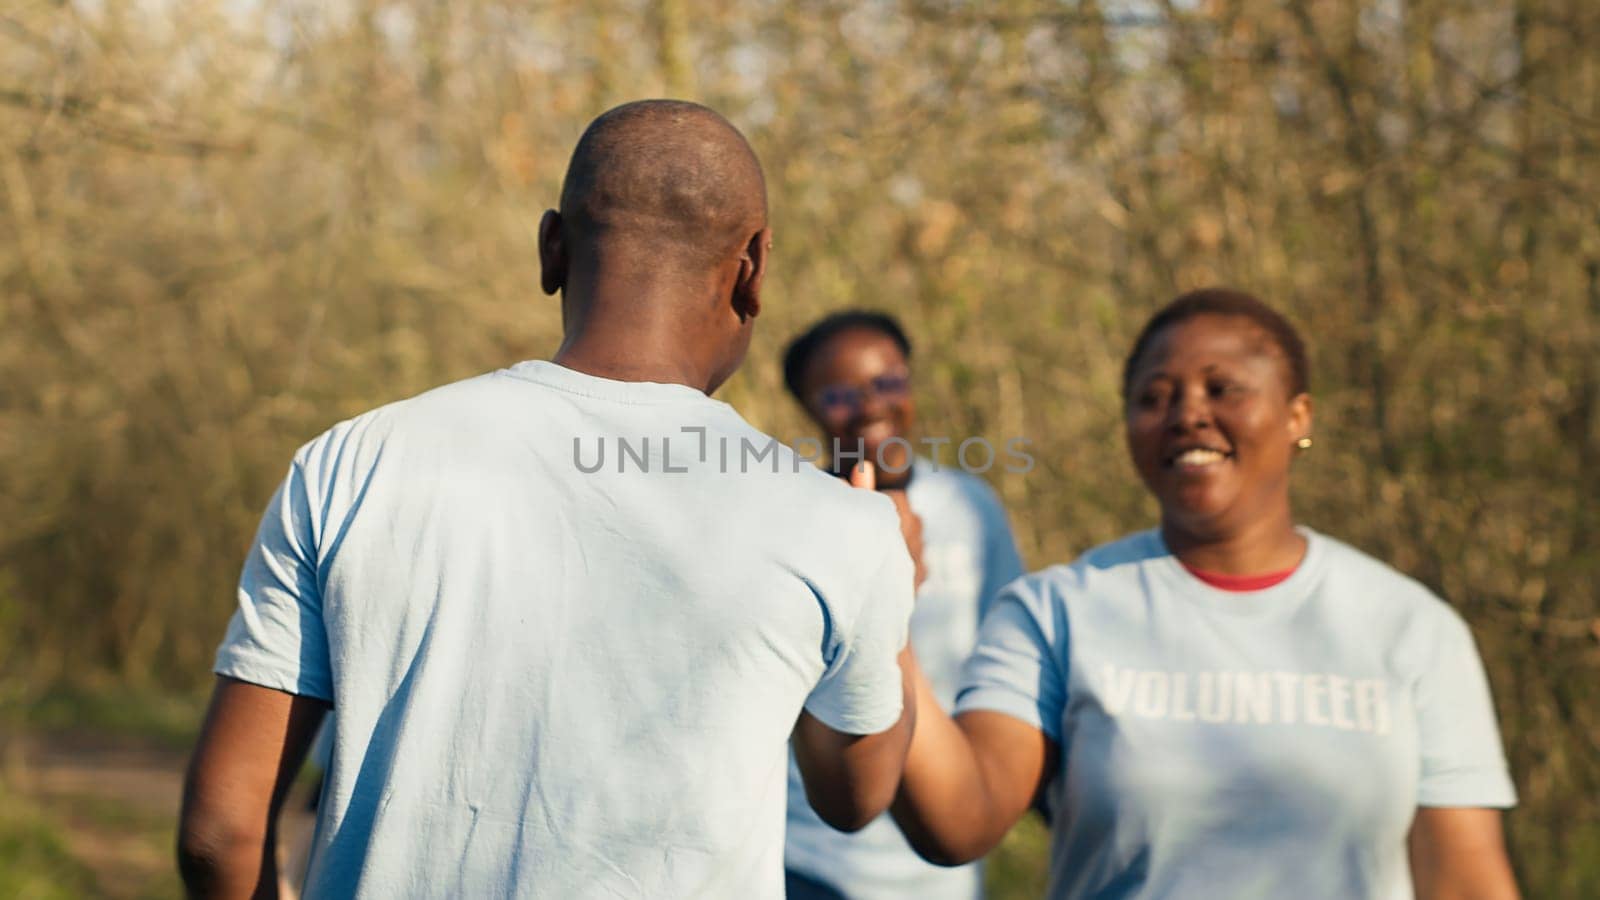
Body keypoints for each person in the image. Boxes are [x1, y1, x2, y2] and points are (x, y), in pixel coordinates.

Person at [177, 99, 923, 899]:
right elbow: (855, 797)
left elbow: (222, 829)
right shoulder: (835, 523)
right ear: (752, 270)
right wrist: (893, 590)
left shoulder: (353, 461)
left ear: (550, 249)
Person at [888, 288, 1521, 899]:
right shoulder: (1056, 612)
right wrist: (884, 620)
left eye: (1224, 390)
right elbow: (958, 820)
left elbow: (1465, 882)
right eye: (1154, 397)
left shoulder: (1411, 627)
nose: (1187, 413)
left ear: (1298, 415)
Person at [779, 311, 1025, 900]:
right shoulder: (793, 516)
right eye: (839, 393)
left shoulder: (970, 506)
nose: (870, 405)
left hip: (941, 853)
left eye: (886, 382)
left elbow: (1005, 656)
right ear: (808, 405)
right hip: (814, 850)